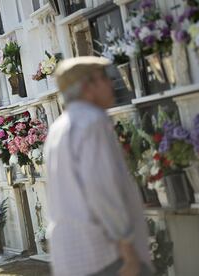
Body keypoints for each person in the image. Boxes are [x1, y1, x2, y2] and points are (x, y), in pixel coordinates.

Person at [45, 57, 152, 276]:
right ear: (87, 87)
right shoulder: (92, 121)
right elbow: (101, 188)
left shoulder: (58, 128)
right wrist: (127, 246)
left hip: (70, 256)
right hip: (104, 253)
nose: (112, 84)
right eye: (105, 78)